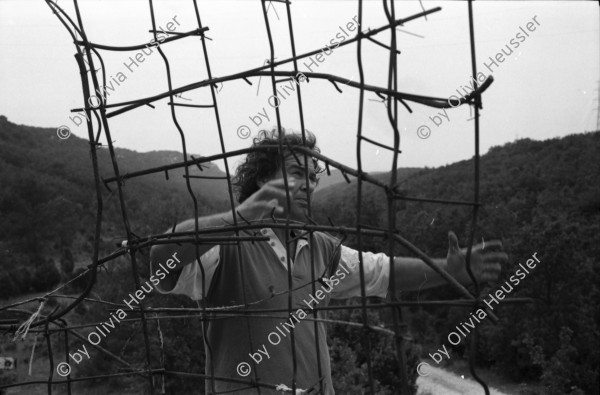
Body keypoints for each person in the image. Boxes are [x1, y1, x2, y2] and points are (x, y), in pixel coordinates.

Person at [150, 128, 506, 394]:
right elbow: (161, 259)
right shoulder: (224, 247)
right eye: (294, 173)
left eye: (310, 176)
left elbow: (382, 272)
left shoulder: (320, 248)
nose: (306, 184)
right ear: (260, 179)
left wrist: (448, 270)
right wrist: (242, 216)